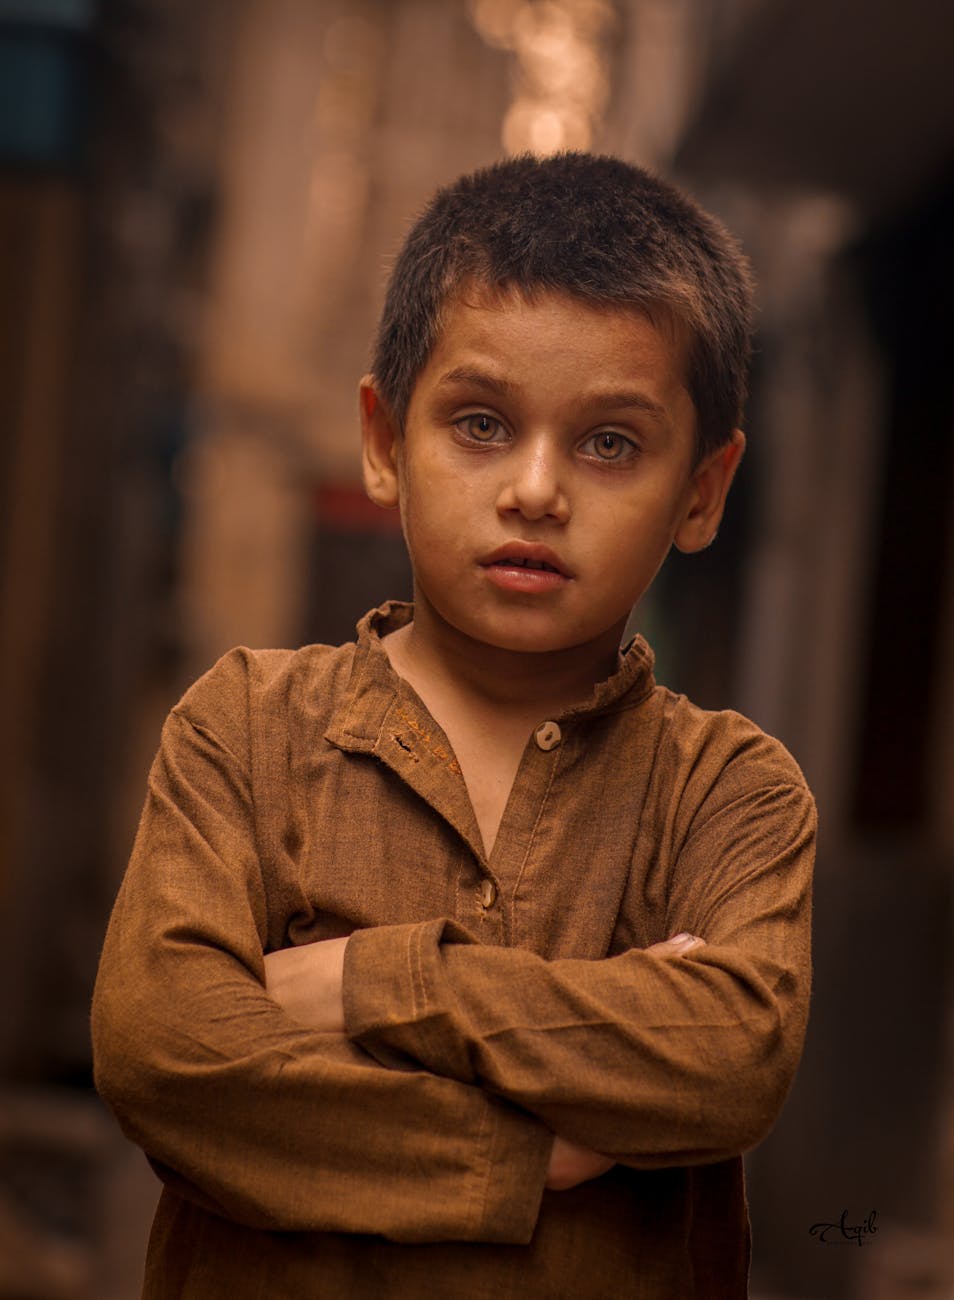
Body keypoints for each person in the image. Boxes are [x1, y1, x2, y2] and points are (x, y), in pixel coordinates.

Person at [92, 152, 815, 1299]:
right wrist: (527, 1154)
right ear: (385, 440)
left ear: (703, 491)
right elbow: (167, 1052)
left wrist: (363, 987)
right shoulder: (248, 728)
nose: (536, 489)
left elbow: (728, 1057)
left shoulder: (728, 790)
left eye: (611, 442)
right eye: (481, 423)